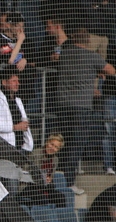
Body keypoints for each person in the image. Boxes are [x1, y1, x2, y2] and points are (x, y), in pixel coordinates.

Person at [55, 25, 116, 180]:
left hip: (62, 105)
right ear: (88, 42)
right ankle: (69, 181)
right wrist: (98, 70)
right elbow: (111, 70)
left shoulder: (65, 54)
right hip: (81, 107)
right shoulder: (91, 55)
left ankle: (59, 178)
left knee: (63, 142)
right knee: (77, 144)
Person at [0, 66, 32, 154]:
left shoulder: (18, 101)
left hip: (21, 148)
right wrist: (14, 127)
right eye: (14, 81)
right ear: (4, 82)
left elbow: (24, 122)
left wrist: (29, 144)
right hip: (5, 148)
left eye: (18, 81)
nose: (17, 83)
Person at [20, 135, 67, 208]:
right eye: (52, 144)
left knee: (60, 197)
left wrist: (49, 179)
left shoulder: (55, 160)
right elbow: (25, 172)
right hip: (29, 185)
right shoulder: (36, 153)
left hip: (44, 186)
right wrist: (42, 178)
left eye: (56, 147)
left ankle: (59, 217)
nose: (53, 148)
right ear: (47, 142)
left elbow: (50, 177)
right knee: (41, 199)